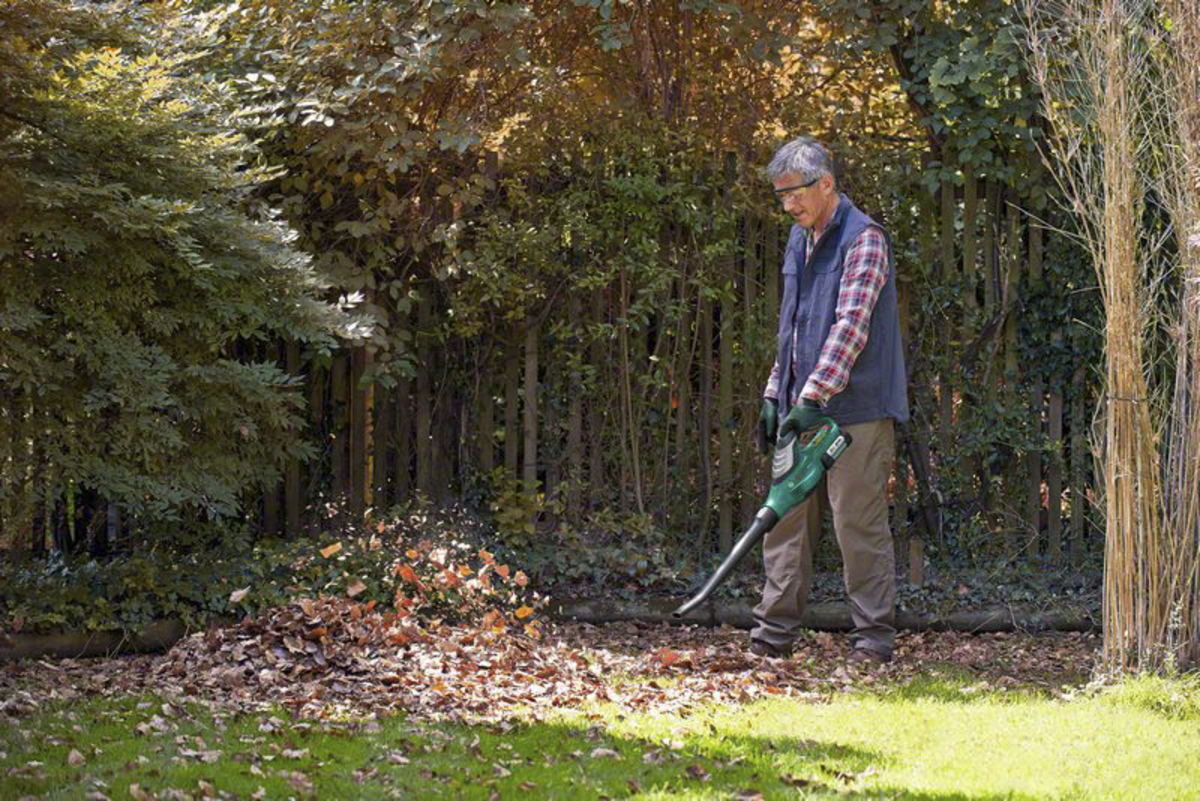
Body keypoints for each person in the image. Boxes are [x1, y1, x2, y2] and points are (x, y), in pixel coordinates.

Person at [750, 136, 909, 664]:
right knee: (785, 521)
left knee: (856, 523)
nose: (788, 205)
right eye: (781, 196)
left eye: (795, 193)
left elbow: (851, 327)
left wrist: (813, 395)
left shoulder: (864, 240)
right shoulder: (800, 240)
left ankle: (873, 638)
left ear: (826, 183)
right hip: (801, 407)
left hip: (855, 412)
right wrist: (776, 392)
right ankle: (773, 635)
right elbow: (794, 328)